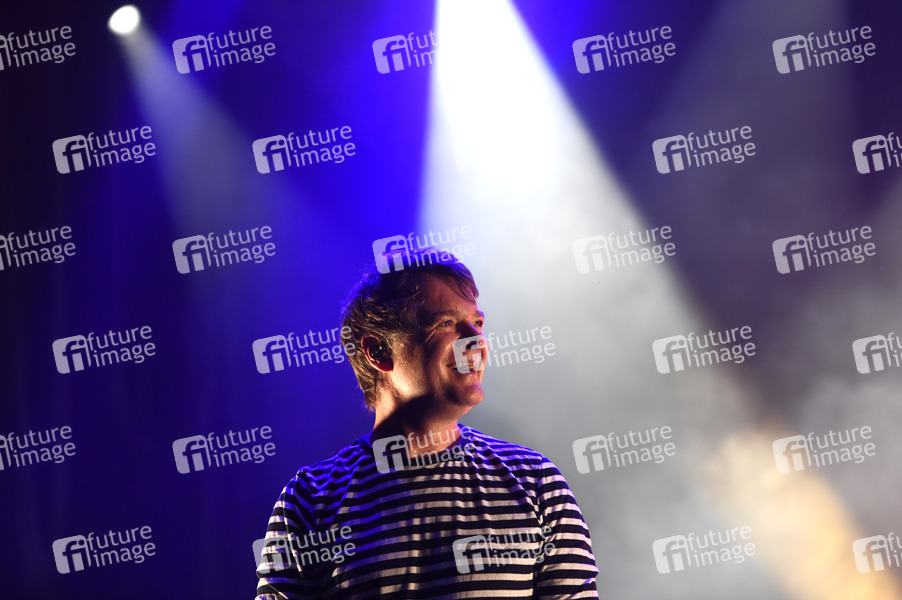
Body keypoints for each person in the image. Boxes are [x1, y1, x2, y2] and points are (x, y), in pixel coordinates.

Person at [255, 248, 598, 599]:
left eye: (478, 323)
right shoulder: (310, 500)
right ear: (379, 351)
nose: (476, 340)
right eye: (446, 323)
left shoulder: (536, 484)